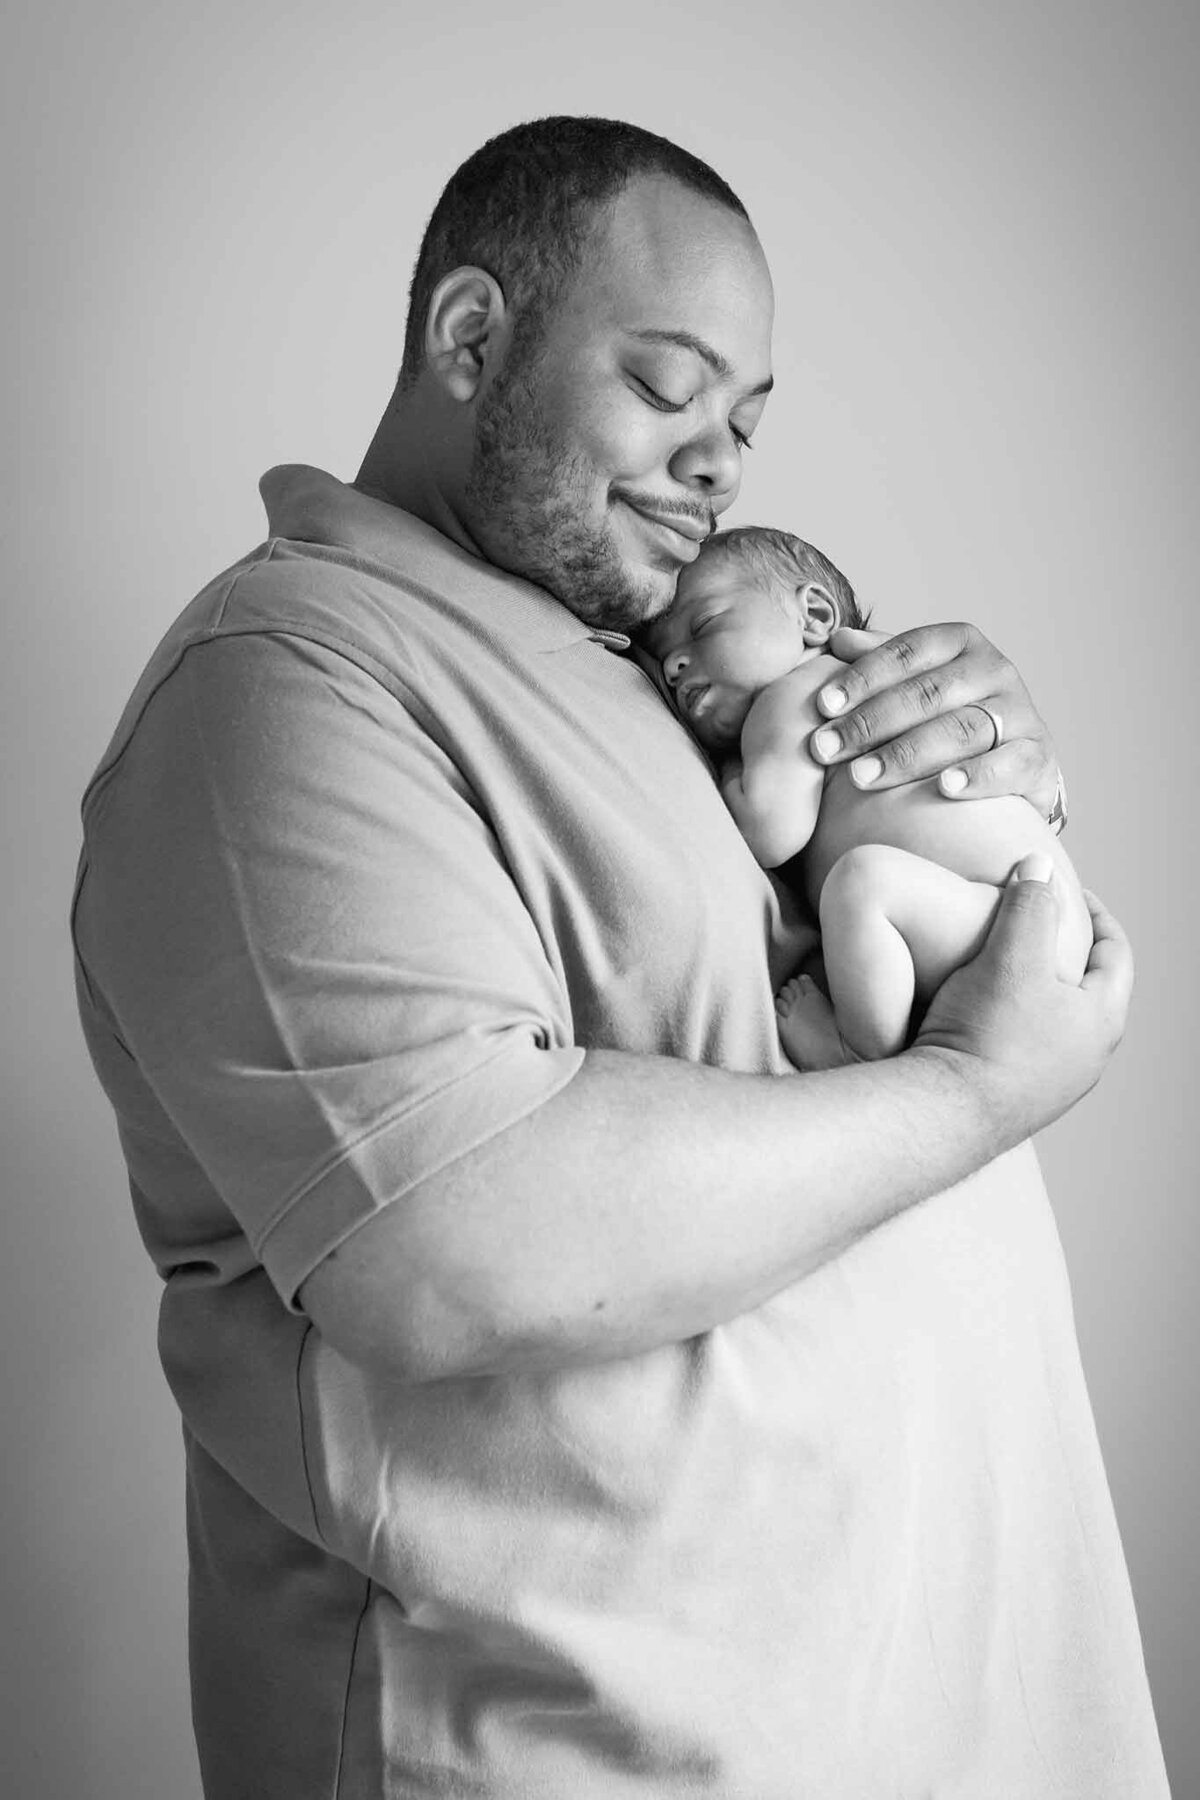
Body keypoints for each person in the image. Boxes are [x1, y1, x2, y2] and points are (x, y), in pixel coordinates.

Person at [71, 116, 1167, 1798]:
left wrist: (967, 764)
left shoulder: (658, 671)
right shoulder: (289, 678)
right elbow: (449, 1241)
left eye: (744, 420)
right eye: (668, 388)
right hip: (582, 1749)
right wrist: (978, 1090)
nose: (723, 459)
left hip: (917, 1713)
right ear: (470, 338)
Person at [645, 525, 1093, 1065]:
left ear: (813, 617)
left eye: (705, 625)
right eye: (665, 659)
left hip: (1004, 920)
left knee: (862, 883)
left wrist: (729, 769)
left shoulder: (797, 694)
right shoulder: (856, 686)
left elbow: (768, 831)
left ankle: (854, 1048)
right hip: (1045, 925)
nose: (674, 664)